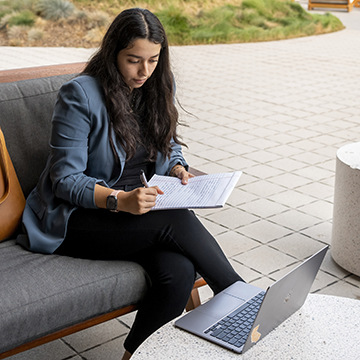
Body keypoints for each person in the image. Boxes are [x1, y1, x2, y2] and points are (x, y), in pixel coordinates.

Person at [18, 8, 245, 360]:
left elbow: (166, 141)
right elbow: (65, 180)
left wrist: (179, 168)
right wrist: (119, 201)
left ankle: (133, 357)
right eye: (133, 60)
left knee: (179, 271)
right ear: (113, 55)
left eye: (153, 60)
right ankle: (240, 299)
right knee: (174, 219)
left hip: (133, 210)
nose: (144, 71)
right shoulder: (80, 95)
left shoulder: (157, 84)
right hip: (78, 214)